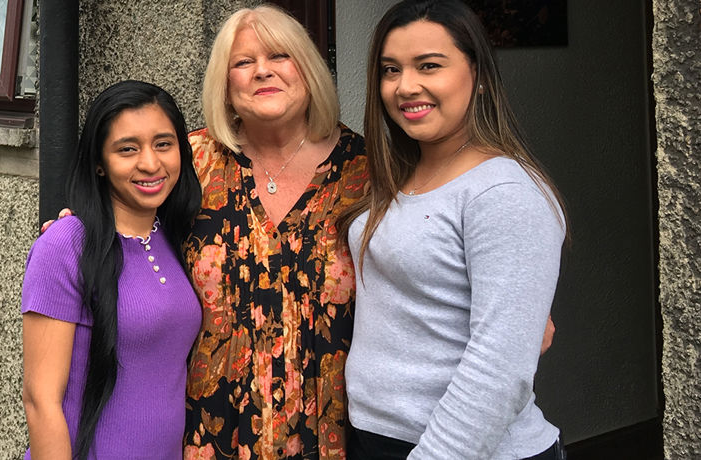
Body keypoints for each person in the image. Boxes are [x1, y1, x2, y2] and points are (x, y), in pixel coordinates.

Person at [339, 1, 568, 459]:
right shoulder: (395, 176)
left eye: (429, 66)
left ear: (479, 76)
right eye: (390, 69)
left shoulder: (502, 191)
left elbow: (500, 370)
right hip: (378, 436)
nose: (405, 86)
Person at [181, 5, 368, 459]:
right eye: (243, 63)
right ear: (225, 85)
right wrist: (72, 232)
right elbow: (126, 233)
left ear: (308, 68)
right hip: (214, 433)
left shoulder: (365, 169)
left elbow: (426, 246)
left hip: (331, 436)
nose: (262, 71)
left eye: (280, 56)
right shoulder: (189, 164)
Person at [21, 80, 202, 459]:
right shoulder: (65, 245)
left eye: (164, 144)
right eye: (127, 149)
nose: (150, 163)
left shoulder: (175, 235)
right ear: (100, 164)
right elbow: (41, 401)